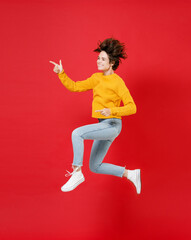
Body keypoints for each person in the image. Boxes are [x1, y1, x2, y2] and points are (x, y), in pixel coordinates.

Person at [49, 38, 141, 194]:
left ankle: (77, 172)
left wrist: (111, 111)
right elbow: (75, 87)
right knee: (95, 166)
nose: (99, 61)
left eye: (103, 59)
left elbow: (132, 107)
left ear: (112, 62)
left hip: (112, 125)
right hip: (102, 125)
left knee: (77, 133)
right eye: (98, 58)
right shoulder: (96, 78)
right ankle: (130, 174)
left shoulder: (117, 82)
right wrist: (61, 74)